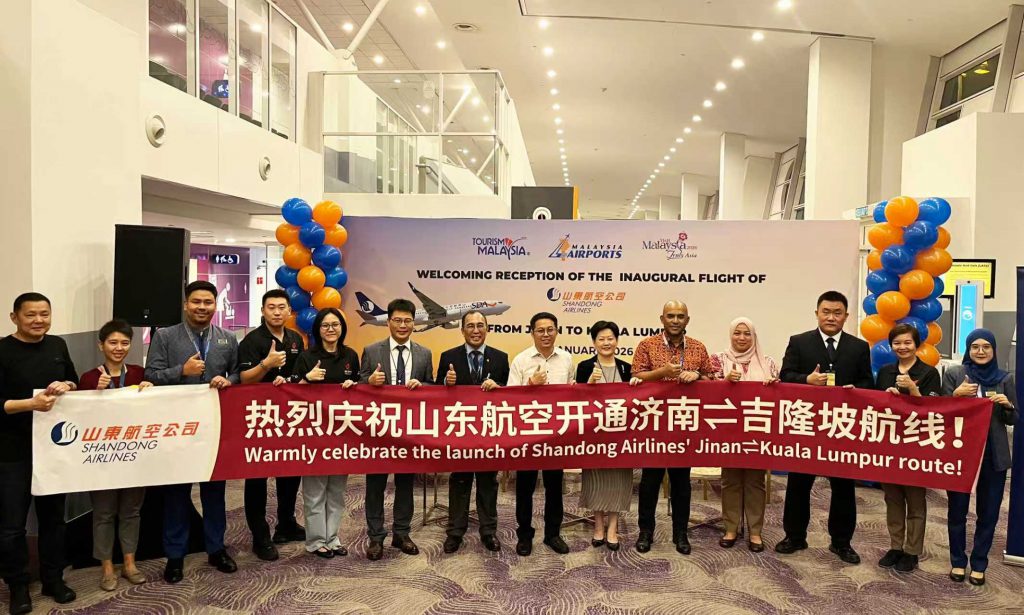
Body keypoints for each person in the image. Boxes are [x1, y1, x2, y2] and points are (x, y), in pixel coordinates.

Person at [144, 280, 239, 583]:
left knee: (215, 492)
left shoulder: (227, 338)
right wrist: (181, 372)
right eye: (196, 302)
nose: (202, 307)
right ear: (186, 305)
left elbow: (238, 372)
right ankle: (175, 556)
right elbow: (151, 375)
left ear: (215, 305)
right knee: (176, 494)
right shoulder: (165, 336)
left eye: (208, 302)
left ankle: (216, 548)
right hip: (177, 428)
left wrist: (229, 380)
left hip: (214, 426)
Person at [776, 290, 872, 565]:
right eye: (826, 312)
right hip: (807, 425)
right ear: (817, 313)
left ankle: (841, 542)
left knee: (843, 488)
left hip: (842, 428)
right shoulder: (799, 342)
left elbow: (868, 383)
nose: (831, 317)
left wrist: (856, 389)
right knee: (798, 484)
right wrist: (806, 380)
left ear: (846, 316)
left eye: (837, 313)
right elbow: (785, 376)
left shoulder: (858, 347)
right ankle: (794, 536)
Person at [0, 293, 78, 614]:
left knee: (53, 519)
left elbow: (74, 380)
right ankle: (18, 585)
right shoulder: (2, 350)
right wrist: (30, 405)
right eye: (30, 314)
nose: (38, 320)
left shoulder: (57, 345)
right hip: (11, 450)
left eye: (44, 314)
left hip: (52, 448)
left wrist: (66, 385)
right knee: (11, 525)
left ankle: (53, 578)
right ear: (14, 317)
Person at [632, 301, 715, 555]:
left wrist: (697, 376)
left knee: (681, 483)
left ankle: (681, 533)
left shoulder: (698, 347)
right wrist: (662, 372)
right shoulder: (647, 345)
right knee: (650, 482)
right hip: (654, 424)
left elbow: (712, 379)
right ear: (662, 319)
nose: (675, 320)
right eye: (671, 316)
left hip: (683, 424)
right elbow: (636, 376)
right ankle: (645, 531)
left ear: (687, 320)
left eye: (680, 316)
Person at [77, 319, 153, 591]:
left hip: (133, 454)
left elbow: (153, 412)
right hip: (102, 457)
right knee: (104, 513)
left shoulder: (139, 373)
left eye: (124, 343)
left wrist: (151, 391)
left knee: (131, 511)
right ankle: (107, 566)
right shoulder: (88, 378)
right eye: (112, 342)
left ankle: (129, 563)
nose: (119, 348)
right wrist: (95, 393)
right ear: (101, 345)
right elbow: (79, 417)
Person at [358, 298, 433, 561]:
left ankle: (402, 533)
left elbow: (432, 386)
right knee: (375, 485)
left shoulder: (424, 353)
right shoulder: (371, 351)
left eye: (408, 321)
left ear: (414, 323)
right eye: (398, 320)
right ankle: (376, 537)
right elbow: (357, 388)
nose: (403, 325)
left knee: (405, 483)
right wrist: (369, 381)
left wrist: (422, 386)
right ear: (388, 322)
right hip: (378, 430)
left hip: (409, 430)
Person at [943, 328, 1018, 586]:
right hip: (960, 454)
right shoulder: (955, 374)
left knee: (988, 513)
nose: (981, 351)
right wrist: (955, 396)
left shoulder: (1004, 378)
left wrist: (1007, 405)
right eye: (975, 346)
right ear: (968, 349)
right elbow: (940, 414)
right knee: (957, 511)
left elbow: (1014, 418)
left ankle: (979, 563)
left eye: (987, 347)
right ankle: (957, 561)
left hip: (993, 455)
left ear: (994, 350)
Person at [237, 289, 306, 561]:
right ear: (263, 311)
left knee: (290, 471)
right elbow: (244, 379)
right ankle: (260, 535)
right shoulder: (252, 340)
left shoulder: (295, 339)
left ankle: (286, 523)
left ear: (289, 311)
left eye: (281, 307)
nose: (277, 312)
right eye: (271, 307)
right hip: (260, 418)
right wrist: (266, 364)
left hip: (290, 417)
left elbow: (299, 374)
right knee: (257, 477)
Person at [439, 310, 509, 554]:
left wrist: (498, 387)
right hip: (460, 432)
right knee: (459, 481)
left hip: (489, 432)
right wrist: (446, 384)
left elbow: (510, 395)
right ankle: (455, 532)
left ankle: (489, 531)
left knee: (488, 483)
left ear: (487, 329)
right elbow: (435, 396)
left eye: (480, 325)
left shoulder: (501, 358)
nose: (476, 330)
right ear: (462, 330)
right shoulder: (448, 357)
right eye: (470, 326)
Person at [873, 323, 940, 573]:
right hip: (889, 442)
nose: (902, 347)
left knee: (915, 499)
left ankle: (912, 550)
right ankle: (895, 546)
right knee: (892, 498)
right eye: (897, 343)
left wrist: (913, 390)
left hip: (916, 444)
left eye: (907, 342)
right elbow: (875, 404)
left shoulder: (929, 372)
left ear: (917, 345)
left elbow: (934, 411)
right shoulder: (885, 371)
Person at [293, 308, 359, 559]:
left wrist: (354, 385)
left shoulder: (350, 355)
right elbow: (291, 394)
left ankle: (333, 538)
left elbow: (359, 393)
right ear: (317, 329)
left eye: (335, 324)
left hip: (342, 434)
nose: (331, 329)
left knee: (337, 491)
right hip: (314, 434)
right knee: (315, 491)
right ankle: (316, 540)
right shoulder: (307, 357)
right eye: (325, 325)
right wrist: (307, 379)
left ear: (342, 328)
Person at [709, 317, 778, 553]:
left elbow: (777, 397)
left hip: (757, 431)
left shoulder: (768, 363)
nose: (742, 338)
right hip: (728, 431)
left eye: (747, 333)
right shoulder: (718, 360)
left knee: (755, 482)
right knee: (730, 481)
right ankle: (730, 528)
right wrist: (724, 382)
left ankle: (755, 531)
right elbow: (707, 392)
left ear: (754, 336)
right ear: (730, 335)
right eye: (737, 333)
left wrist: (774, 385)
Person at [508, 311, 574, 556]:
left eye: (550, 330)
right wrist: (530, 385)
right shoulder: (521, 360)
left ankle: (553, 534)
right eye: (540, 330)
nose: (546, 334)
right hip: (528, 434)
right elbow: (510, 399)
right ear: (532, 333)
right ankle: (524, 535)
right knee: (524, 487)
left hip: (556, 435)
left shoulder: (567, 359)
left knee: (554, 487)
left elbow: (572, 395)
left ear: (557, 331)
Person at [575, 320, 633, 551]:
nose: (606, 343)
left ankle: (613, 528)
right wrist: (589, 384)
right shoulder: (584, 367)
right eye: (601, 339)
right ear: (594, 342)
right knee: (596, 481)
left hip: (620, 435)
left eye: (610, 338)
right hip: (595, 435)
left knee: (619, 481)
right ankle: (598, 526)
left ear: (617, 341)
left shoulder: (627, 368)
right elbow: (576, 401)